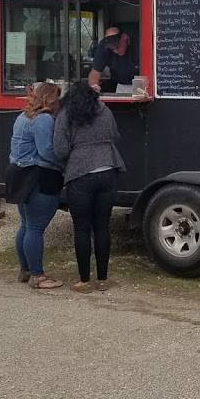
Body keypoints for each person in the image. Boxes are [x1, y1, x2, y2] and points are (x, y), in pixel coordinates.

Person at [54, 80, 126, 293]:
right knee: (102, 227)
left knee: (82, 228)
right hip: (107, 170)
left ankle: (84, 281)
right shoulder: (105, 112)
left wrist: (73, 157)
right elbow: (115, 136)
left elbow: (59, 149)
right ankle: (103, 279)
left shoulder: (66, 115)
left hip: (80, 174)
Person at [5, 82, 64, 290]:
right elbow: (47, 151)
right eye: (57, 98)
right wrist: (65, 162)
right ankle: (38, 276)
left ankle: (26, 270)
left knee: (26, 225)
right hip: (38, 176)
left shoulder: (23, 117)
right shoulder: (44, 119)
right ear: (49, 99)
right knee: (35, 228)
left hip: (19, 174)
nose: (59, 102)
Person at [89, 26, 135, 94]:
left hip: (141, 85)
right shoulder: (103, 46)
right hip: (119, 84)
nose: (116, 50)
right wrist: (94, 86)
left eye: (117, 46)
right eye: (112, 49)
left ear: (124, 37)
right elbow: (95, 72)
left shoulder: (139, 43)